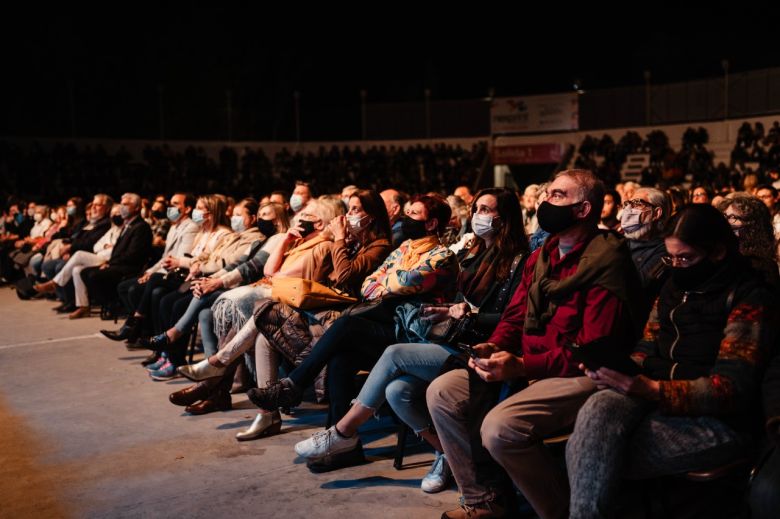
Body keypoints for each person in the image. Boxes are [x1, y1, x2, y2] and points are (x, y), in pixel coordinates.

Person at [427, 169, 643, 519]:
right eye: (547, 194)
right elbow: (514, 317)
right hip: (531, 361)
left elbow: (591, 348)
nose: (546, 202)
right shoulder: (542, 256)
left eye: (557, 196)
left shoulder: (607, 262)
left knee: (500, 428)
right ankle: (485, 499)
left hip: (585, 372)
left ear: (584, 209)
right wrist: (493, 347)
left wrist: (523, 366)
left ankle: (557, 510)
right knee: (441, 392)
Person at [293, 188, 528, 489]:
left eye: (486, 210)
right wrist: (455, 310)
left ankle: (341, 433)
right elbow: (368, 286)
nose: (478, 217)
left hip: (481, 346)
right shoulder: (473, 254)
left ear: (504, 218)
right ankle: (450, 454)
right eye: (476, 210)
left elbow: (512, 317)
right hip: (454, 338)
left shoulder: (516, 261)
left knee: (388, 351)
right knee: (396, 391)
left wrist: (468, 313)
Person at [566, 204, 775, 519]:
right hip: (656, 397)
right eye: (671, 257)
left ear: (717, 252)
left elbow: (731, 388)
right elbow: (648, 345)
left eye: (686, 258)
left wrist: (652, 389)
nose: (677, 266)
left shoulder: (748, 295)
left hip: (720, 419)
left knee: (592, 453)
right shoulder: (673, 286)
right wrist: (617, 371)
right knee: (598, 409)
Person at [246, 194, 459, 465]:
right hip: (388, 327)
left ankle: (295, 385)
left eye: (414, 214)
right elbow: (368, 286)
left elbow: (408, 280)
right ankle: (344, 446)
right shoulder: (403, 250)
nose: (406, 219)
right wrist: (391, 282)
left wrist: (389, 282)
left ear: (431, 224)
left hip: (414, 336)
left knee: (345, 325)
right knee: (341, 357)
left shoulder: (443, 256)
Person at [171, 190, 392, 419]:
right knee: (258, 323)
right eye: (349, 208)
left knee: (260, 309)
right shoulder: (338, 241)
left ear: (372, 215)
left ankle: (216, 372)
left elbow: (343, 275)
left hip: (330, 314)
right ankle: (263, 412)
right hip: (311, 306)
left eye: (355, 209)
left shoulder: (376, 246)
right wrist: (291, 239)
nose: (349, 215)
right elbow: (271, 271)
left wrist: (335, 238)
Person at [101, 192, 199, 343]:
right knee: (124, 287)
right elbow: (165, 257)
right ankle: (141, 330)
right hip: (163, 273)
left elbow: (178, 259)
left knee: (143, 290)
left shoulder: (191, 227)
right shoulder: (174, 227)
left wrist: (154, 274)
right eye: (170, 203)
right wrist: (149, 271)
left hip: (178, 275)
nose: (170, 208)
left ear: (187, 209)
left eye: (175, 204)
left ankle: (138, 327)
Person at [77, 193, 153, 318]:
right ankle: (111, 303)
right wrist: (109, 263)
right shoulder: (127, 225)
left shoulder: (141, 227)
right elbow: (117, 251)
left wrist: (111, 264)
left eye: (126, 204)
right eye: (121, 203)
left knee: (93, 275)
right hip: (118, 264)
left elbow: (133, 254)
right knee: (84, 272)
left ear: (137, 208)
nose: (122, 207)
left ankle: (116, 305)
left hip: (130, 267)